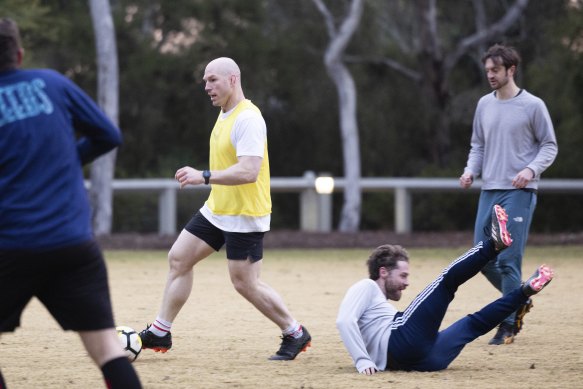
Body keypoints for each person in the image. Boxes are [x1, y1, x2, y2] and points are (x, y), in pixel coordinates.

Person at [138, 57, 311, 361]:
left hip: (245, 214)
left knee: (245, 283)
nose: (207, 87)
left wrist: (203, 176)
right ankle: (161, 331)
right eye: (205, 81)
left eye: (213, 80)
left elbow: (248, 172)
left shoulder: (248, 119)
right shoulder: (224, 113)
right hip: (218, 208)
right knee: (179, 258)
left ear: (233, 80)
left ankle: (294, 332)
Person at [0, 18, 141, 388]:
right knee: (109, 350)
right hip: (72, 245)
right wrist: (65, 159)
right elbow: (108, 135)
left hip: (9, 249)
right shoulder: (52, 83)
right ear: (19, 53)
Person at [336, 204, 554, 374]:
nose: (406, 282)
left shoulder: (381, 309)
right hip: (401, 341)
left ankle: (525, 291)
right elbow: (344, 321)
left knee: (473, 324)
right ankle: (492, 245)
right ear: (383, 272)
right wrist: (362, 360)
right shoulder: (366, 286)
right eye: (403, 275)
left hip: (423, 361)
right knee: (445, 282)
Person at [459, 44, 558, 345]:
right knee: (480, 257)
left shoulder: (533, 106)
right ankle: (520, 298)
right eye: (487, 70)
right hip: (489, 190)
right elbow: (478, 145)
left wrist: (530, 170)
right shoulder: (484, 105)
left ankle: (507, 327)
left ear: (511, 70)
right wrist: (470, 170)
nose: (490, 75)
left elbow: (549, 146)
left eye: (495, 70)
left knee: (508, 262)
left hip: (519, 192)